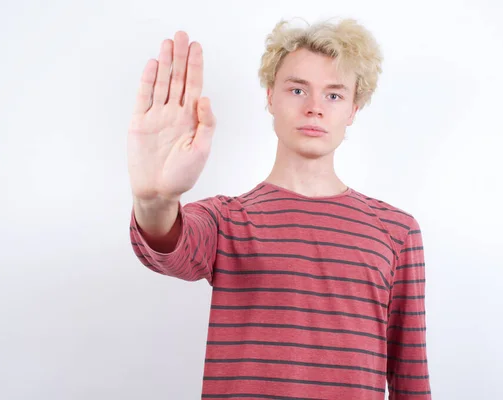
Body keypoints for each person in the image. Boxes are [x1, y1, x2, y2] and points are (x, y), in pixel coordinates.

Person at [127, 17, 432, 399]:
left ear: (353, 109)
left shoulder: (397, 231)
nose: (315, 108)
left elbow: (411, 377)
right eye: (298, 90)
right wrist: (154, 199)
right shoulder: (227, 220)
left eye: (334, 95)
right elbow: (169, 246)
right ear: (271, 95)